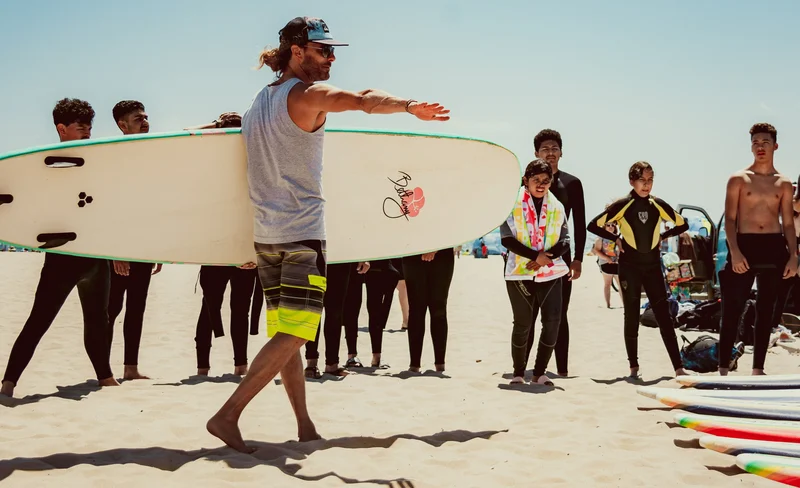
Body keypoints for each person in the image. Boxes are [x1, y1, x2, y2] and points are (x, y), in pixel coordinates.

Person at [205, 16, 449, 453]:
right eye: (323, 50)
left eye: (333, 51)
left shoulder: (261, 100)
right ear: (297, 52)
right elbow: (362, 100)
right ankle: (227, 415)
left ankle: (304, 424)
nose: (332, 58)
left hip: (268, 235)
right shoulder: (307, 94)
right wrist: (410, 106)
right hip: (300, 234)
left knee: (288, 335)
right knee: (299, 332)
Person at [1, 98, 119, 398]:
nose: (88, 133)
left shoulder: (99, 164)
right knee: (40, 319)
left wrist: (119, 249)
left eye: (90, 127)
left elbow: (109, 207)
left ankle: (105, 377)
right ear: (61, 128)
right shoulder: (43, 166)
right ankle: (9, 382)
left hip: (95, 254)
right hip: (62, 256)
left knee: (98, 321)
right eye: (81, 128)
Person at [587, 161, 690, 378]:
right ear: (632, 181)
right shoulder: (623, 205)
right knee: (631, 315)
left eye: (650, 180)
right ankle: (633, 367)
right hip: (630, 266)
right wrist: (615, 238)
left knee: (663, 316)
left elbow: (682, 224)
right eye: (642, 180)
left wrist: (663, 235)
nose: (646, 185)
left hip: (652, 266)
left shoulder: (658, 204)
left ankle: (678, 367)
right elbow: (593, 225)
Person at [185, 112, 263, 377]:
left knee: (240, 310)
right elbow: (186, 133)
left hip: (245, 252)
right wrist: (218, 125)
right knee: (209, 308)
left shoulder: (254, 163)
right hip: (216, 250)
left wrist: (254, 253)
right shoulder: (209, 171)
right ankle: (202, 368)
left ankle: (241, 365)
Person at [718, 123, 797, 376]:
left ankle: (758, 369)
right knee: (732, 308)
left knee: (766, 311)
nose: (759, 147)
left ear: (775, 146)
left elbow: (787, 223)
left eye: (764, 142)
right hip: (745, 244)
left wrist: (794, 256)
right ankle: (723, 368)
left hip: (773, 246)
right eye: (755, 143)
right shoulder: (738, 179)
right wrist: (736, 251)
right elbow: (730, 220)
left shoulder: (784, 183)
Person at [501, 159, 570, 385]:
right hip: (520, 271)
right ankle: (519, 372)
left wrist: (543, 259)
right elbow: (507, 238)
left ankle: (540, 373)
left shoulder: (557, 206)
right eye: (536, 180)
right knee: (522, 323)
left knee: (552, 321)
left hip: (549, 271)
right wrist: (534, 257)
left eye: (545, 181)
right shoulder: (511, 203)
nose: (541, 185)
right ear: (526, 181)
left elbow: (565, 241)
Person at [107, 100, 162, 381]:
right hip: (118, 248)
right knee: (111, 309)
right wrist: (117, 250)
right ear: (122, 125)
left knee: (137, 308)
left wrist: (157, 247)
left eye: (146, 117)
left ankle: (130, 368)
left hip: (143, 247)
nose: (145, 121)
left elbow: (153, 206)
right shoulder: (115, 157)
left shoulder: (150, 157)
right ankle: (103, 371)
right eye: (138, 118)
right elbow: (111, 207)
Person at [525, 129, 585, 377]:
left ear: (561, 152)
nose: (550, 153)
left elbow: (579, 224)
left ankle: (561, 369)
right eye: (545, 149)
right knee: (528, 314)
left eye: (554, 148)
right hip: (528, 257)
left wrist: (578, 259)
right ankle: (523, 367)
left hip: (561, 256)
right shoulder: (524, 182)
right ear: (536, 153)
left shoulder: (571, 183)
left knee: (559, 314)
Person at [591, 220, 623, 308]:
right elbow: (596, 250)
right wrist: (607, 258)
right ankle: (608, 304)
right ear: (604, 227)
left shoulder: (617, 238)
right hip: (605, 263)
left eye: (613, 225)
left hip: (617, 263)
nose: (610, 227)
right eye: (608, 225)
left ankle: (624, 304)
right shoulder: (600, 238)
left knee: (620, 284)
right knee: (607, 284)